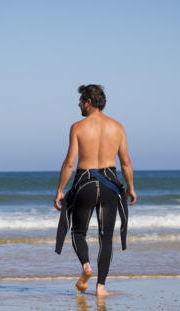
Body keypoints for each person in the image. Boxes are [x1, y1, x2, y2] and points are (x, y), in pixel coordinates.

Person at [54, 84, 136, 296]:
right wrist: (131, 188)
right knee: (105, 238)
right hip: (110, 185)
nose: (79, 104)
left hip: (85, 184)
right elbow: (126, 163)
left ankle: (86, 267)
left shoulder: (78, 127)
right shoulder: (117, 127)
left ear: (89, 102)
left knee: (78, 232)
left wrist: (60, 190)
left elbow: (70, 163)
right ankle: (101, 287)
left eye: (81, 100)